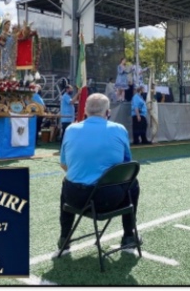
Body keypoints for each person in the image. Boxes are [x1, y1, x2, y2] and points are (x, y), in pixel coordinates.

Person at [58, 93, 140, 251]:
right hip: (108, 200)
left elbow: (64, 164)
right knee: (132, 183)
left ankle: (64, 237)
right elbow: (126, 167)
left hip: (75, 199)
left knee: (66, 181)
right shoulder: (119, 129)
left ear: (85, 111)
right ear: (108, 112)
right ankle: (129, 236)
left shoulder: (70, 129)